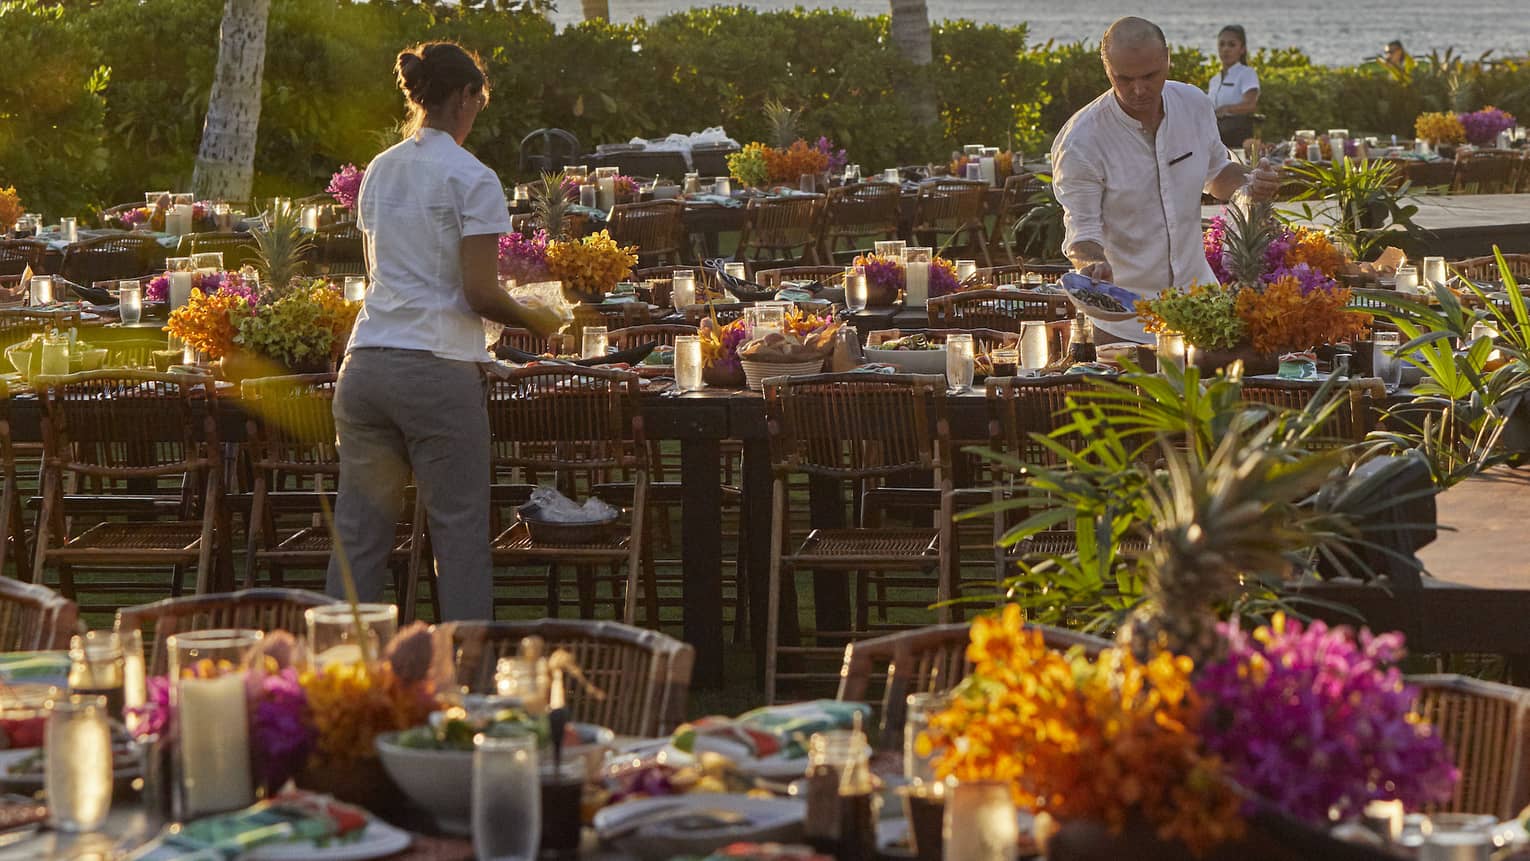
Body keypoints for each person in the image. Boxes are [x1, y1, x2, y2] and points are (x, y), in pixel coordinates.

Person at [328, 41, 560, 620]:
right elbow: (479, 292)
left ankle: (330, 678)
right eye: (479, 100)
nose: (478, 110)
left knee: (358, 536)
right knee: (458, 536)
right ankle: (467, 682)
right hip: (433, 369)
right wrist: (541, 319)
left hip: (365, 367)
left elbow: (384, 273)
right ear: (463, 97)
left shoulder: (380, 169)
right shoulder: (471, 177)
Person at [1050, 16, 1281, 342]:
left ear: (1167, 59)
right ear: (1106, 69)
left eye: (1150, 75)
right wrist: (1093, 264)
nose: (1139, 89)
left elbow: (1218, 174)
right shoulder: (1082, 141)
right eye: (1124, 78)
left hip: (1202, 310)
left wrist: (1252, 181)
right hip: (1127, 322)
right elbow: (1082, 232)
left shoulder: (1194, 104)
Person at [1208, 25, 1260, 150]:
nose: (1225, 49)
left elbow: (1250, 105)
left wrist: (1226, 109)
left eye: (1231, 45)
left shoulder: (1247, 73)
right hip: (1215, 138)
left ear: (1242, 49)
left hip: (1238, 139)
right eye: (1222, 44)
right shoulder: (1214, 80)